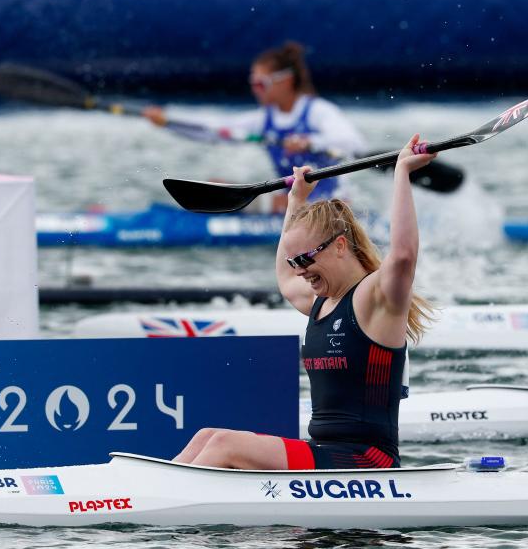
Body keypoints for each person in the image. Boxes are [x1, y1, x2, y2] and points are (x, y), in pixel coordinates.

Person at [172, 135, 436, 469]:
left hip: (368, 460)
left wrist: (402, 173)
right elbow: (284, 277)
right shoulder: (320, 302)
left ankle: (161, 509)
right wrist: (296, 199)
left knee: (225, 444)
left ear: (340, 245)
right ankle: (144, 492)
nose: (299, 271)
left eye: (306, 260)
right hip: (326, 451)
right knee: (207, 436)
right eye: (295, 262)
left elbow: (402, 256)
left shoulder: (375, 298)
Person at [143, 41, 367, 212]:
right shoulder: (263, 120)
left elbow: (353, 143)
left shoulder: (317, 111)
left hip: (331, 206)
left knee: (277, 202)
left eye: (261, 84)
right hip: (291, 203)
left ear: (285, 81)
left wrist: (310, 142)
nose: (255, 90)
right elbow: (216, 129)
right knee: (217, 188)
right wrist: (168, 121)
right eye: (253, 84)